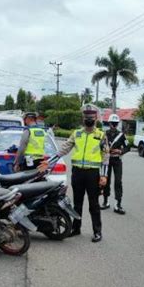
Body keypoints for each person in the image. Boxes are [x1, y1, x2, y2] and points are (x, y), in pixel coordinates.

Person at [47, 104, 109, 242]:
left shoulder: (101, 135)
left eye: (91, 117)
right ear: (83, 118)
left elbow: (105, 156)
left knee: (94, 204)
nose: (89, 119)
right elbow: (64, 149)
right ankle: (76, 228)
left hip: (93, 174)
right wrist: (50, 161)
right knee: (77, 203)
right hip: (78, 173)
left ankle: (97, 231)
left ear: (96, 118)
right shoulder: (77, 134)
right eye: (86, 117)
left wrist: (104, 175)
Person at [101, 114, 130, 214]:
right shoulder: (104, 134)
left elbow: (128, 147)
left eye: (115, 124)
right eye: (112, 123)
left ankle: (118, 204)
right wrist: (104, 149)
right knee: (106, 181)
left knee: (118, 181)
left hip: (117, 160)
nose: (114, 125)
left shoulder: (121, 135)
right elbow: (100, 146)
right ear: (109, 123)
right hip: (107, 160)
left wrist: (120, 151)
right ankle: (105, 201)